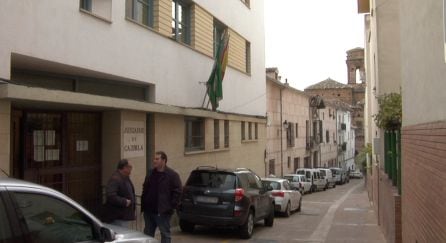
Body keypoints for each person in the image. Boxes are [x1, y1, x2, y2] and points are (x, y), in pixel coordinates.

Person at [141, 151, 182, 243]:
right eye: (154, 159)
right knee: (147, 234)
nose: (154, 161)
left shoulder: (172, 175)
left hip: (162, 212)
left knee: (165, 234)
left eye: (157, 159)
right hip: (149, 212)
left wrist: (170, 207)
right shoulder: (150, 173)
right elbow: (145, 188)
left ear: (164, 160)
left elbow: (178, 192)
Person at [104, 159, 135, 228]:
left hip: (124, 215)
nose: (131, 169)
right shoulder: (115, 179)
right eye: (130, 167)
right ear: (124, 168)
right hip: (118, 216)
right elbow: (111, 195)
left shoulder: (125, 177)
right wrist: (124, 201)